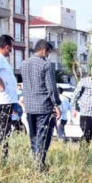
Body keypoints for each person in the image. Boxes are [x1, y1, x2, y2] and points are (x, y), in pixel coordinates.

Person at [20, 40, 60, 170]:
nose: (48, 56)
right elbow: (51, 88)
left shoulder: (24, 64)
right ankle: (39, 165)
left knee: (33, 137)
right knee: (43, 136)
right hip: (43, 106)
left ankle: (35, 162)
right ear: (44, 50)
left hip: (29, 107)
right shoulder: (46, 65)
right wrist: (57, 104)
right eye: (48, 53)